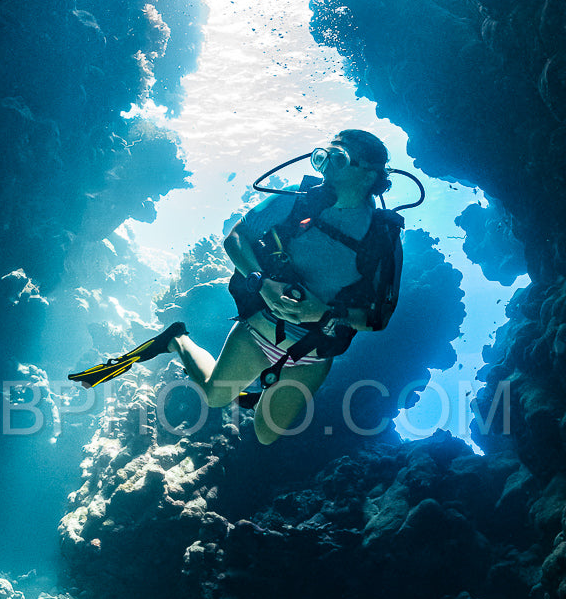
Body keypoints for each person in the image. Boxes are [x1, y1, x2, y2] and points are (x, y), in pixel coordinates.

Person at [69, 129, 403, 445]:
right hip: (259, 330)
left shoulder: (383, 239)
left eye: (340, 159)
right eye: (325, 155)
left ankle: (260, 387)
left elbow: (379, 318)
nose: (326, 165)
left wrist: (327, 312)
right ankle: (177, 338)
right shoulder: (296, 201)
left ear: (369, 175)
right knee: (215, 397)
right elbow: (236, 237)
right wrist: (263, 283)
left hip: (313, 354)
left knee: (265, 435)